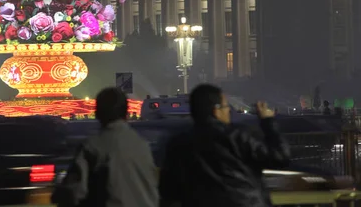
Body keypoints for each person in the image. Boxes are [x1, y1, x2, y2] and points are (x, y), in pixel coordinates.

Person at [159, 84, 290, 207]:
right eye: (226, 106)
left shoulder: (178, 144)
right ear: (216, 110)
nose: (228, 111)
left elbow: (168, 190)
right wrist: (268, 122)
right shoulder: (238, 136)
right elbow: (279, 157)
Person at [52, 87, 159, 207]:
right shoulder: (142, 145)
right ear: (127, 113)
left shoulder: (93, 146)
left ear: (97, 114)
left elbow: (73, 192)